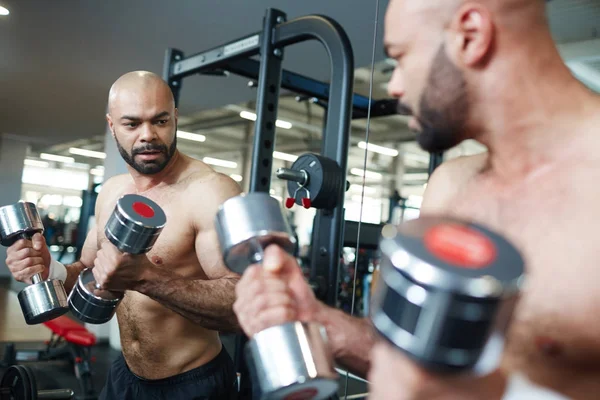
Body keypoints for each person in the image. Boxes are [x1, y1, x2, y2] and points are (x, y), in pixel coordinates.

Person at [232, 0, 600, 398]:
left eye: (400, 57)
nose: (395, 86)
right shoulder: (450, 185)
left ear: (470, 36)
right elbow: (408, 368)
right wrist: (319, 321)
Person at [6, 71, 243, 399]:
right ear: (112, 125)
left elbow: (240, 305)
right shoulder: (112, 192)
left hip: (193, 383)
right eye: (132, 124)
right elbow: (88, 271)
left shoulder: (209, 192)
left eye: (159, 121)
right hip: (125, 376)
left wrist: (147, 278)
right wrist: (51, 269)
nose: (148, 135)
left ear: (175, 118)